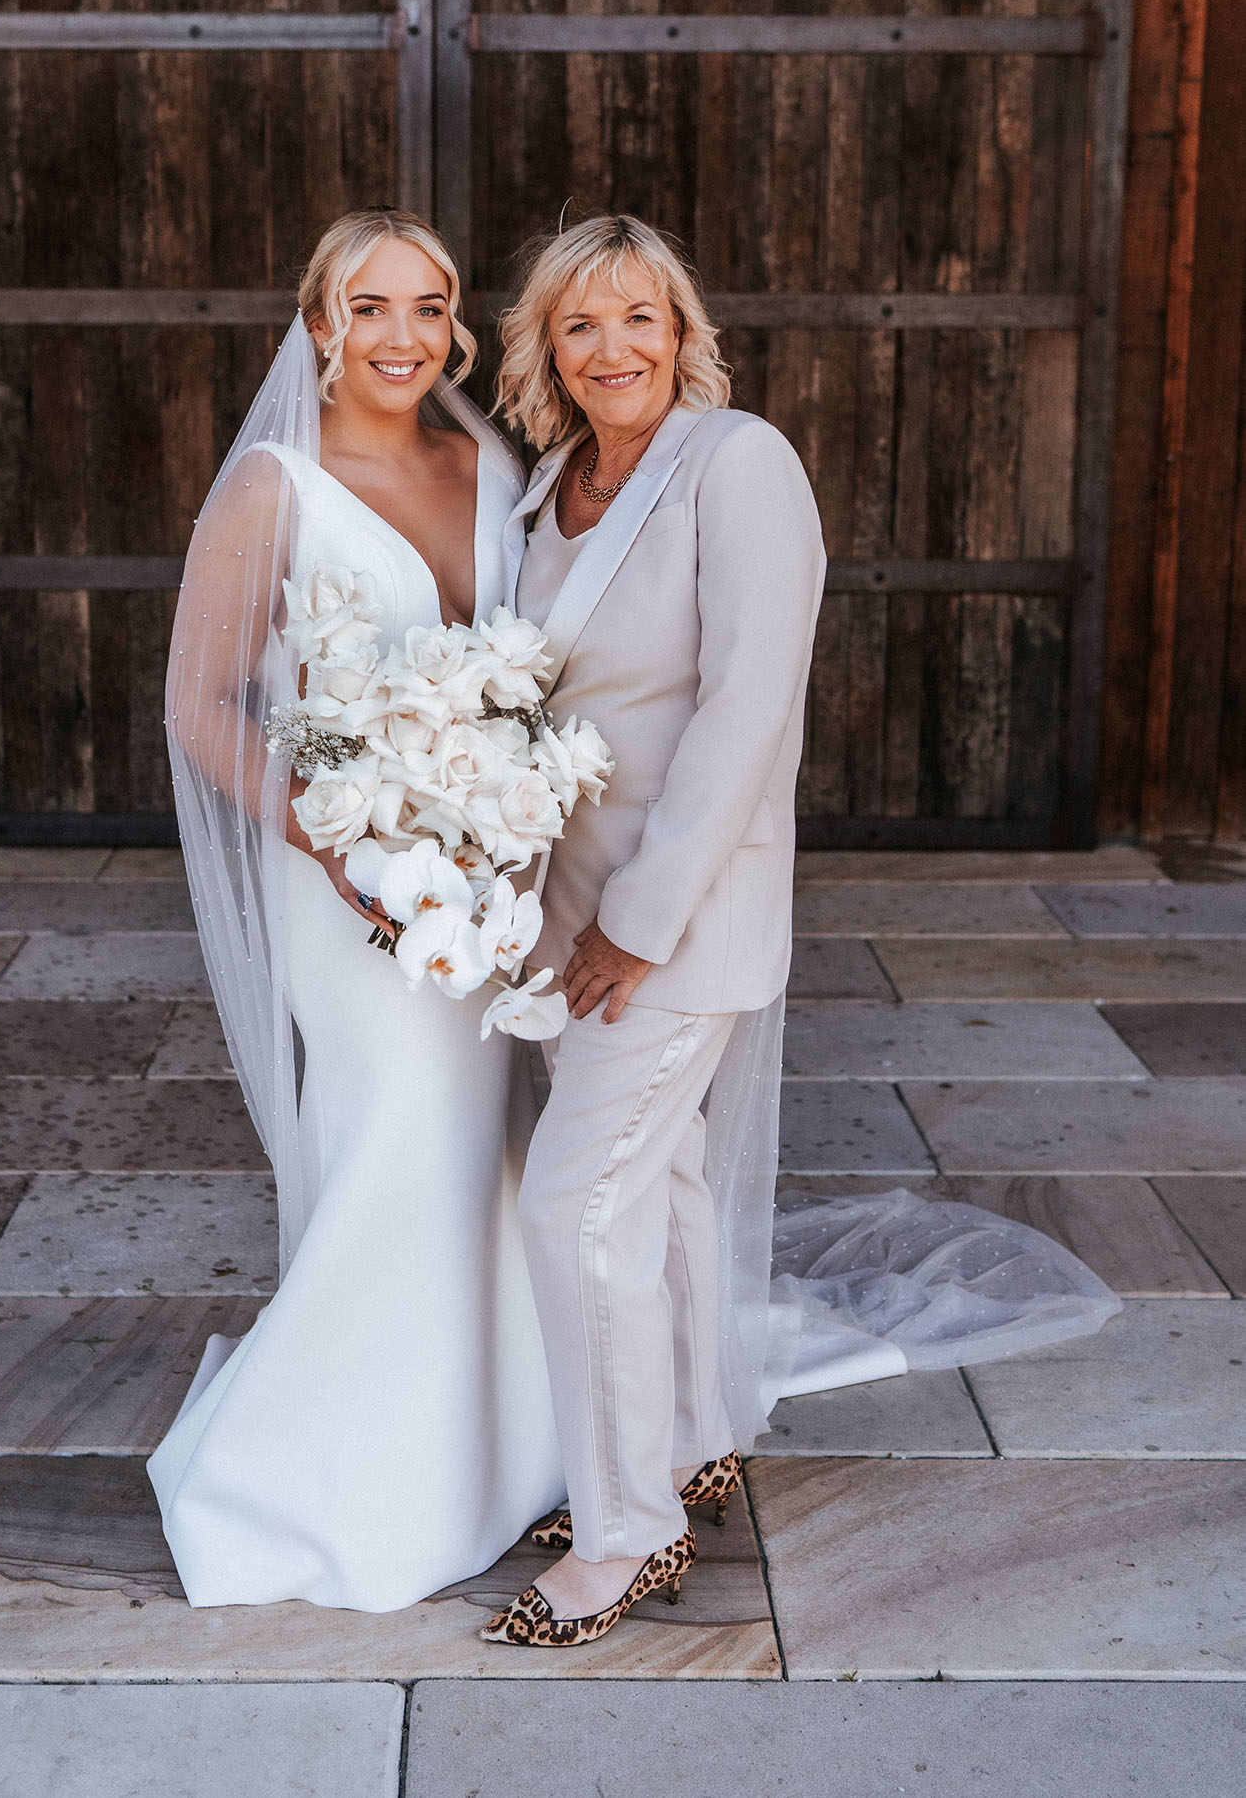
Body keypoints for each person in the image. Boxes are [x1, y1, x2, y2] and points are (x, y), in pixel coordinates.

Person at [148, 208, 564, 1611]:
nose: (402, 335)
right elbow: (205, 705)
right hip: (347, 880)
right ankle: (317, 1477)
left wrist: (513, 816)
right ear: (320, 321)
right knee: (398, 1142)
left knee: (483, 1150)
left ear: (455, 324)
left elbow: (528, 674)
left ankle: (494, 1446)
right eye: (369, 306)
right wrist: (335, 840)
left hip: (486, 877)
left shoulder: (486, 460)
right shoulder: (277, 483)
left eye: (429, 306)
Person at [481, 214, 826, 1648]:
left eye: (641, 319)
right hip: (567, 908)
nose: (613, 348)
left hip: (672, 916)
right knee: (661, 1175)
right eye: (581, 324)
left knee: (577, 1199)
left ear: (682, 332)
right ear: (545, 348)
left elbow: (748, 709)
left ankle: (625, 1531)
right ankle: (690, 1435)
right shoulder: (549, 481)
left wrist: (636, 922)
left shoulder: (736, 463)